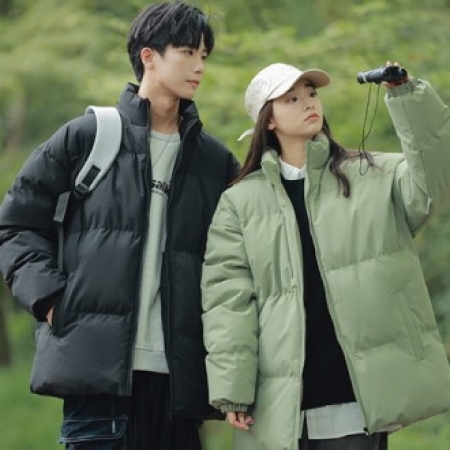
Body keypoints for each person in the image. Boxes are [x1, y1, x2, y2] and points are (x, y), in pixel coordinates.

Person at [0, 2, 239, 449]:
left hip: (180, 388)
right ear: (149, 57)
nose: (199, 66)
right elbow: (16, 223)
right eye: (188, 52)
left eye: (204, 55)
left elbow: (239, 259)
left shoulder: (214, 160)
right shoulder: (88, 137)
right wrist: (50, 299)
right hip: (98, 382)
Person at [201, 61, 450, 450]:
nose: (308, 103)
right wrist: (232, 389)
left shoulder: (370, 175)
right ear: (268, 120)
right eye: (292, 98)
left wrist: (407, 96)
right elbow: (228, 301)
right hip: (277, 408)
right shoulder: (239, 202)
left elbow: (434, 180)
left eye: (312, 93)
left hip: (354, 403)